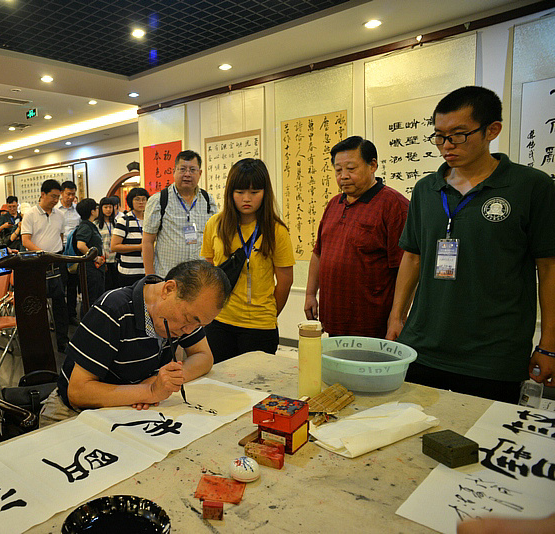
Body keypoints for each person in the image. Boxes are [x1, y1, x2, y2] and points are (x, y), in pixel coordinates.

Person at [387, 86, 555, 402]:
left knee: (483, 440)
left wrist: (549, 344)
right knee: (413, 433)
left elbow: (549, 268)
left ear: (492, 130)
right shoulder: (427, 189)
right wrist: (397, 318)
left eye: (458, 135)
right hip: (423, 346)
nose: (446, 146)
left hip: (493, 357)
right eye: (439, 136)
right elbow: (412, 257)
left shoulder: (531, 187)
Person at [39, 260, 231, 425]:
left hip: (126, 411)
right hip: (72, 414)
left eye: (199, 324)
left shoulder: (184, 317)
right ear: (169, 289)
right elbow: (78, 392)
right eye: (189, 319)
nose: (189, 330)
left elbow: (204, 357)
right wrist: (149, 390)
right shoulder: (114, 310)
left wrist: (162, 381)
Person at [304, 136, 409, 338]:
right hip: (333, 320)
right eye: (338, 170)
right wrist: (310, 294)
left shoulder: (394, 206)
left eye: (351, 169)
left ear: (373, 166)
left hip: (372, 325)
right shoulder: (334, 204)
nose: (343, 176)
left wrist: (398, 318)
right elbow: (318, 253)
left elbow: (407, 267)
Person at [201, 159, 295, 362]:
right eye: (240, 191)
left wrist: (268, 313)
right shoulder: (214, 225)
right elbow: (209, 272)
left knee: (256, 390)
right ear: (230, 192)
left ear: (265, 193)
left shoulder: (276, 231)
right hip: (219, 322)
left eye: (254, 192)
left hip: (260, 326)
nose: (246, 199)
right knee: (218, 387)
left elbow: (285, 281)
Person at [142, 150, 218, 277]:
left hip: (199, 278)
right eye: (182, 169)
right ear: (174, 172)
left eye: (192, 170)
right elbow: (147, 242)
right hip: (168, 277)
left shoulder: (208, 200)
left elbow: (213, 239)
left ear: (200, 173)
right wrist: (150, 278)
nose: (187, 174)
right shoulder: (159, 200)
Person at [20, 179, 69, 352]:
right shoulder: (31, 214)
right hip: (37, 265)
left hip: (56, 262)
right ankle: (40, 343)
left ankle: (63, 341)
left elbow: (60, 237)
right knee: (38, 305)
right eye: (53, 196)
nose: (56, 200)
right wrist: (43, 254)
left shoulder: (60, 215)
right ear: (42, 194)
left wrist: (54, 254)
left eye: (58, 197)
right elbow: (25, 241)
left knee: (60, 305)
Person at [112, 187, 149, 287]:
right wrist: (140, 247)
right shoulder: (124, 220)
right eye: (137, 199)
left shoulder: (150, 220)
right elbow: (114, 246)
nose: (141, 202)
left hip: (147, 271)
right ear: (130, 201)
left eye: (144, 199)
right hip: (129, 273)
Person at [72, 198, 106, 306]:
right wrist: (95, 258)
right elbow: (81, 245)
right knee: (91, 299)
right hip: (89, 268)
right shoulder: (85, 226)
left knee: (95, 297)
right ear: (92, 211)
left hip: (94, 268)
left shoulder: (90, 225)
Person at [58, 180, 81, 325]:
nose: (71, 197)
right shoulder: (55, 210)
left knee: (73, 284)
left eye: (73, 194)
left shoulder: (77, 210)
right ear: (62, 193)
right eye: (68, 194)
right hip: (60, 250)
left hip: (73, 250)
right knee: (60, 285)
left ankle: (71, 313)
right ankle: (60, 315)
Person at [96, 197, 119, 291]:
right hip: (103, 260)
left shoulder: (116, 223)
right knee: (105, 286)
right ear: (101, 208)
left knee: (116, 286)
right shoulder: (96, 224)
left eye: (110, 207)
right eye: (106, 207)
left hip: (115, 259)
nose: (108, 210)